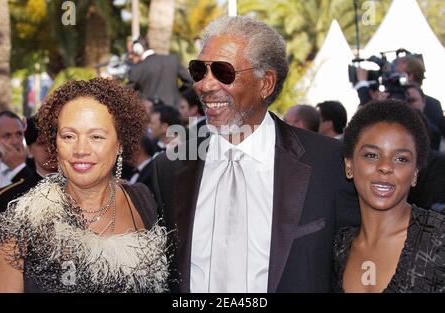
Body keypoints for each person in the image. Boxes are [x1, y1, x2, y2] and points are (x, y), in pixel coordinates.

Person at [151, 16, 359, 293]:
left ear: (266, 84)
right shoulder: (169, 168)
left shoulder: (329, 163)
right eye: (199, 70)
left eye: (223, 72)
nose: (205, 85)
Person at [0, 78, 169, 293]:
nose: (80, 149)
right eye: (69, 136)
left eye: (96, 136)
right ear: (55, 142)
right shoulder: (21, 223)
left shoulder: (145, 202)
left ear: (120, 143)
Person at [334, 100, 445, 293]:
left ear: (415, 173)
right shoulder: (337, 247)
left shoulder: (440, 240)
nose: (385, 167)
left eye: (401, 159)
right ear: (349, 165)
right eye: (371, 155)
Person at [0, 116, 57, 213]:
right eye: (41, 143)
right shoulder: (5, 197)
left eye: (54, 141)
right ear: (29, 150)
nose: (50, 148)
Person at [127, 36, 193, 107]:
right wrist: (177, 94)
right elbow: (190, 81)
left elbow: (127, 94)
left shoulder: (137, 69)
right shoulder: (172, 60)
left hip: (151, 114)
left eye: (132, 53)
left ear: (138, 50)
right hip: (175, 110)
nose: (130, 56)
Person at [0, 111, 32, 189]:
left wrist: (20, 169)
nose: (15, 141)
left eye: (19, 134)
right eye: (7, 136)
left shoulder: (34, 165)